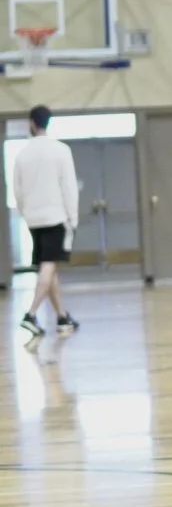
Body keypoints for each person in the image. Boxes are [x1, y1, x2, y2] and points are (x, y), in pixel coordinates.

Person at [13, 105, 80, 341]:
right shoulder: (61, 151)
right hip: (55, 217)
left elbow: (17, 191)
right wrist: (73, 218)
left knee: (48, 268)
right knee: (48, 266)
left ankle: (62, 317)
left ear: (32, 123)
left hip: (33, 219)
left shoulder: (22, 155)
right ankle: (30, 315)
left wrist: (26, 213)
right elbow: (69, 188)